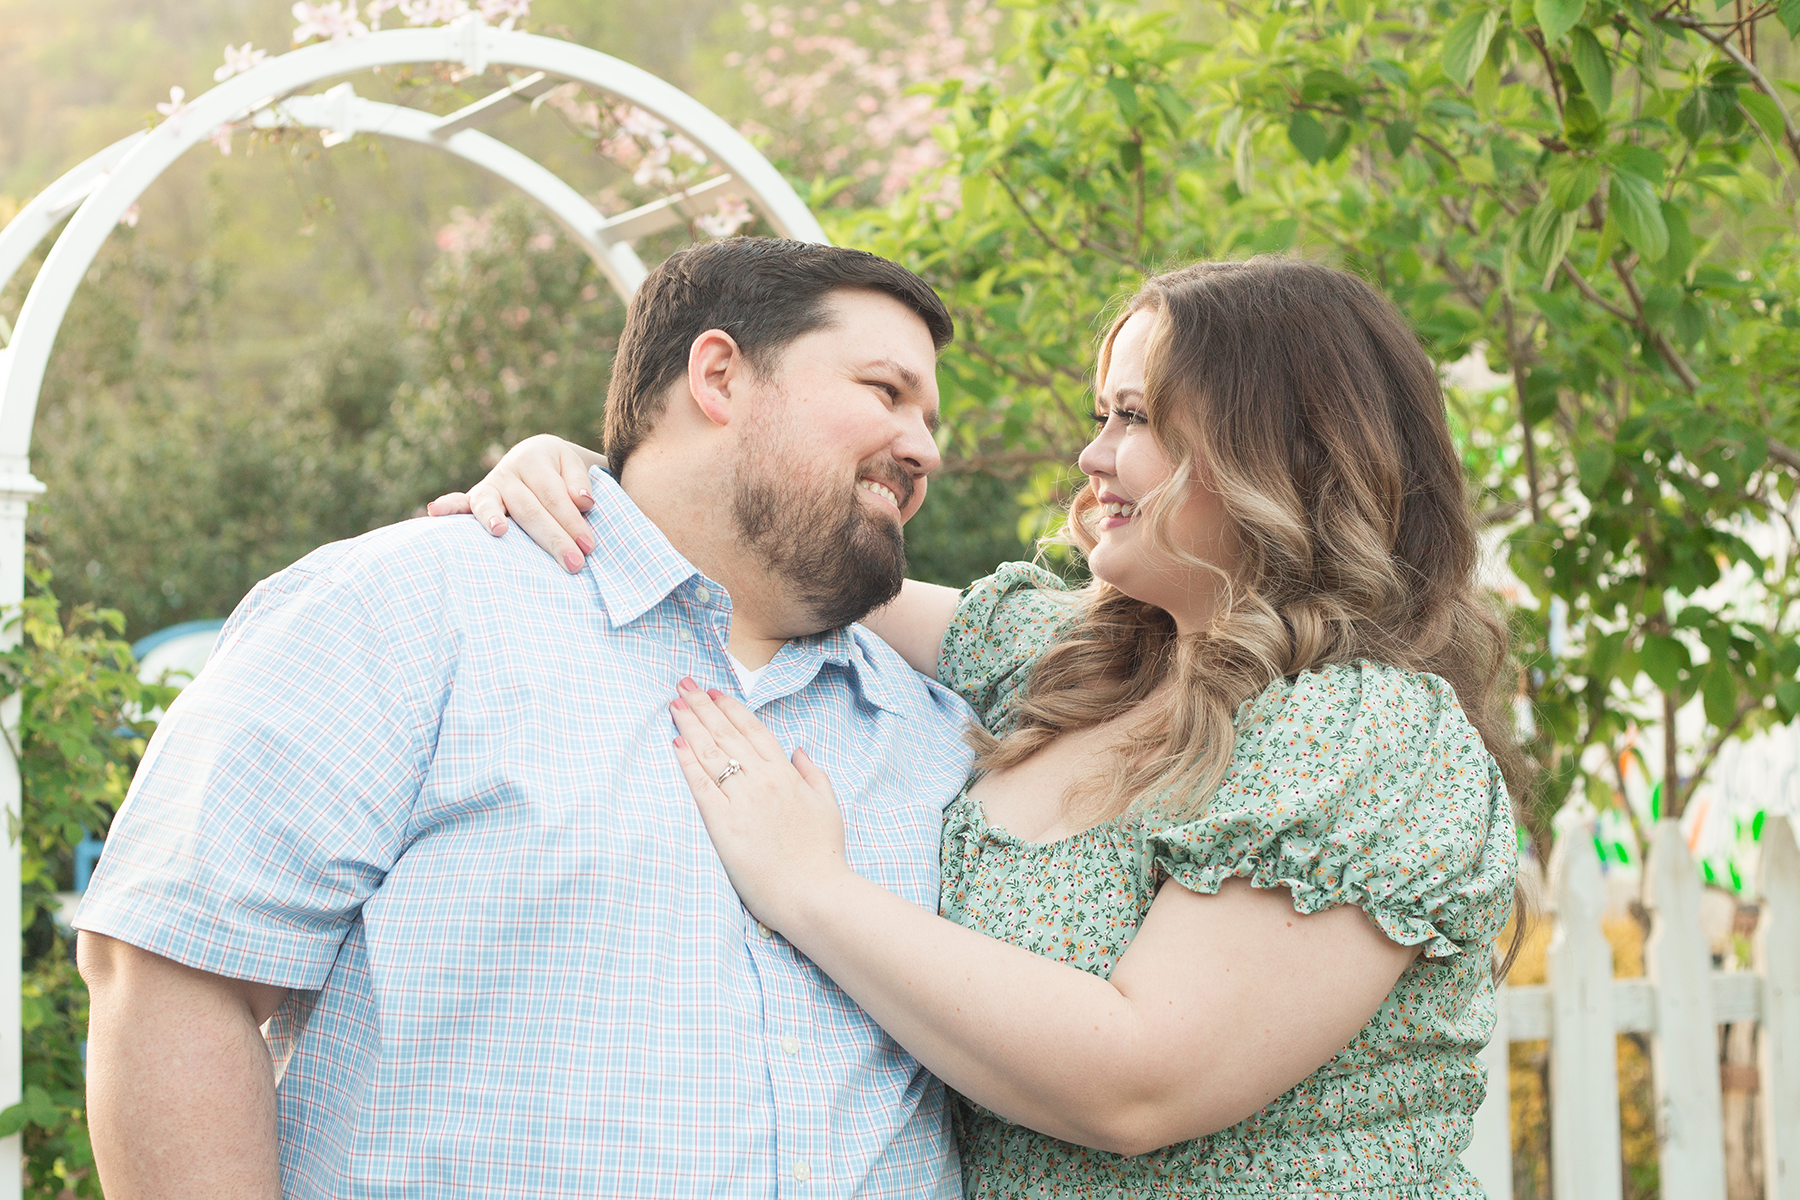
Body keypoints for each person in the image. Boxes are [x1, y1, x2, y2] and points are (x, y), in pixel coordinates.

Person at [440, 256, 1525, 1196]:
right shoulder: (1077, 659)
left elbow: (1140, 1084)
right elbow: (764, 554)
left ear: (1273, 447)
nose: (1094, 456)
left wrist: (813, 891)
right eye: (1103, 414)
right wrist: (590, 479)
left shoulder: (1368, 732)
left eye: (1137, 418)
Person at [75, 238, 987, 1199]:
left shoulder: (939, 727)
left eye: (929, 417)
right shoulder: (411, 607)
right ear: (718, 375)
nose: (928, 448)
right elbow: (175, 974)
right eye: (888, 392)